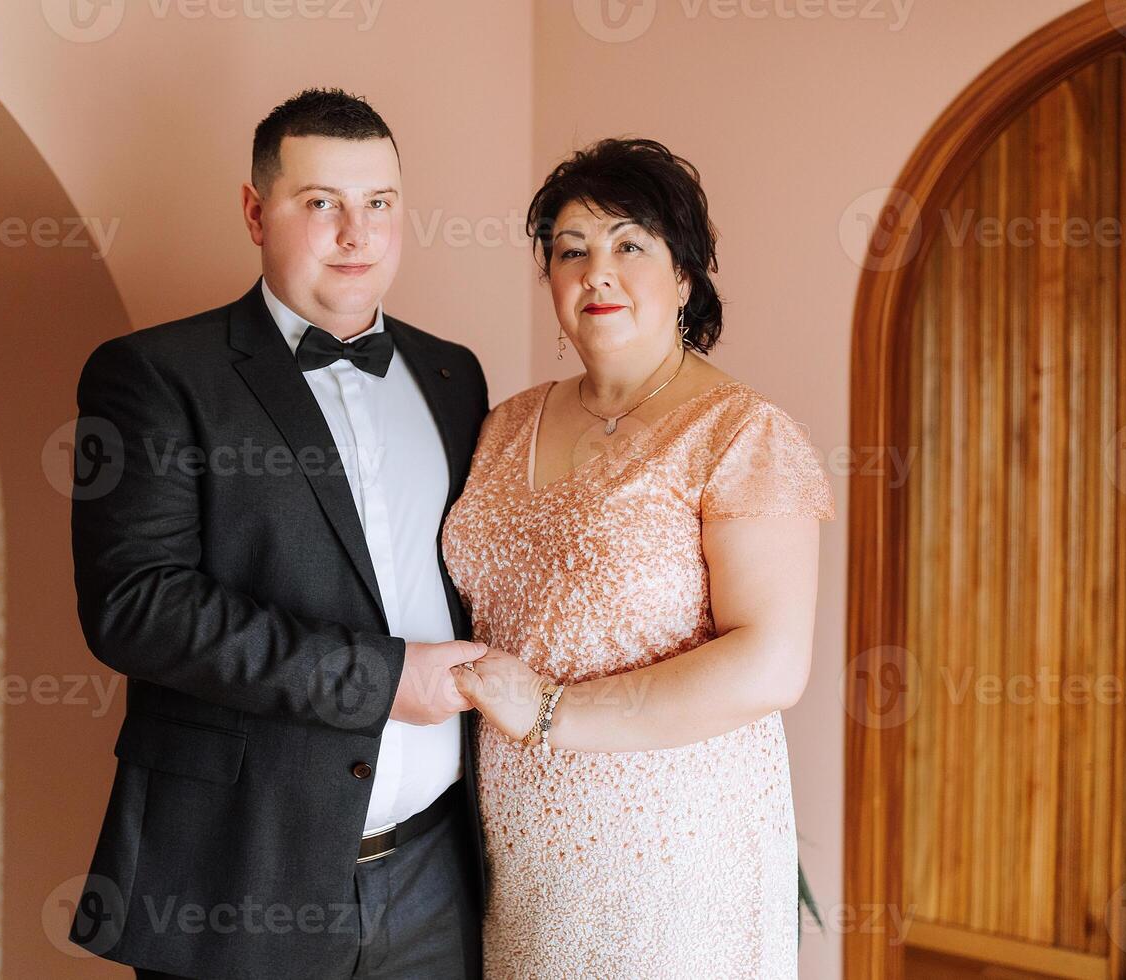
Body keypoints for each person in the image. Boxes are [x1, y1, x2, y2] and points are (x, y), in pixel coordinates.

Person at [68, 88, 488, 980]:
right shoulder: (154, 376)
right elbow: (135, 607)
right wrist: (383, 679)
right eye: (320, 203)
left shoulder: (454, 375)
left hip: (435, 877)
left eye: (379, 204)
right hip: (238, 877)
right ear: (256, 212)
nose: (356, 234)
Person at [441, 138, 834, 978]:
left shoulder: (739, 432)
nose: (597, 271)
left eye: (629, 244)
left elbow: (770, 665)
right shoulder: (505, 423)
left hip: (675, 852)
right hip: (522, 854)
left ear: (684, 275)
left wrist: (552, 714)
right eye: (570, 250)